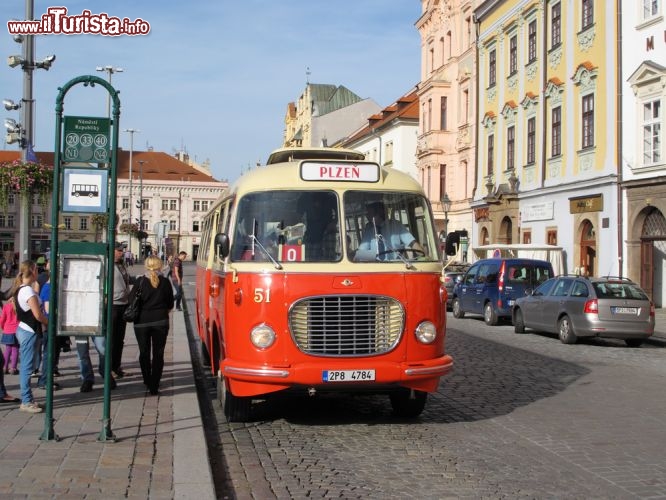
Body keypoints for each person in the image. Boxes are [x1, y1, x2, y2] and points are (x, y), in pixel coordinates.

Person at [129, 255, 174, 395]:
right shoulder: (165, 282)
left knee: (144, 352)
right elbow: (170, 303)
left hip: (141, 322)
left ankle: (147, 379)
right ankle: (154, 385)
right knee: (158, 354)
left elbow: (131, 301)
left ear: (146, 266)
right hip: (160, 321)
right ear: (160, 265)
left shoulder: (140, 281)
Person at [14, 261, 49, 413]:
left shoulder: (22, 289)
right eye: (37, 269)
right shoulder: (27, 292)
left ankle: (29, 399)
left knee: (28, 365)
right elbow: (38, 315)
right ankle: (26, 401)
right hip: (29, 331)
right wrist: (50, 324)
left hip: (24, 329)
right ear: (33, 271)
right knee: (27, 367)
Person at [356, 201, 424, 260]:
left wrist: (424, 257)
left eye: (369, 213)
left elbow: (412, 243)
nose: (366, 216)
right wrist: (374, 258)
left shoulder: (396, 225)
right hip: (375, 267)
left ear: (378, 213)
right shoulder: (369, 228)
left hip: (395, 266)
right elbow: (362, 253)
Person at [111, 242, 131, 379]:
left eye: (122, 250)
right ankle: (110, 368)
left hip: (123, 304)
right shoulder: (107, 265)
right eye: (118, 250)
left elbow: (126, 281)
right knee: (112, 339)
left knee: (120, 339)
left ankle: (117, 366)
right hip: (112, 305)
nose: (121, 252)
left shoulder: (121, 265)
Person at [0, 296, 19, 375]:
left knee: (8, 349)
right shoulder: (18, 307)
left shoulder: (6, 306)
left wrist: (2, 327)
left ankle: (4, 367)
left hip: (7, 330)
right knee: (15, 349)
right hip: (17, 330)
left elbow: (2, 319)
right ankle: (13, 368)